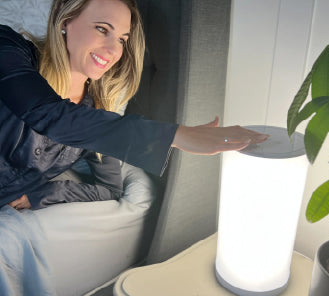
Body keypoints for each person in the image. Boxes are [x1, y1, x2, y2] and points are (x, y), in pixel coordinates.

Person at [0, 0, 269, 211]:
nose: (113, 50)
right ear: (66, 19)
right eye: (102, 29)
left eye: (121, 39)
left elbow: (111, 189)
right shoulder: (10, 48)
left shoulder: (97, 119)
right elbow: (47, 113)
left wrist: (43, 195)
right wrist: (175, 134)